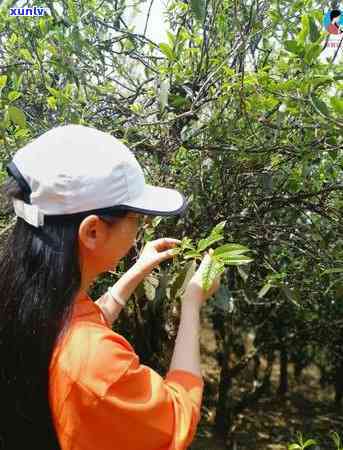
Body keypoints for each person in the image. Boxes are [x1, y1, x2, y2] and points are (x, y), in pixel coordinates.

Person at [0, 124, 221, 450]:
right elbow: (178, 415)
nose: (141, 228)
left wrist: (136, 270)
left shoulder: (23, 302)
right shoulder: (95, 363)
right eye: (136, 218)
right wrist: (192, 302)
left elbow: (79, 325)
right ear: (92, 232)